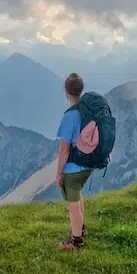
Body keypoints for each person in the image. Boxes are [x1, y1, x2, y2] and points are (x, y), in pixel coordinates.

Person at [55, 73, 94, 250]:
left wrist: (58, 174)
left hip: (73, 168)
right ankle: (81, 228)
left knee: (72, 204)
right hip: (88, 164)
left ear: (66, 91)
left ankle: (76, 241)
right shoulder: (88, 110)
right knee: (77, 196)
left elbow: (64, 150)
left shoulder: (69, 117)